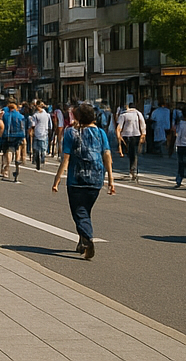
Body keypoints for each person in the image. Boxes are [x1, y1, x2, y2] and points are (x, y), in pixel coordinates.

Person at [51, 102, 115, 259]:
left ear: (78, 117)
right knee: (85, 210)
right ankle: (81, 242)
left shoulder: (71, 133)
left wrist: (57, 180)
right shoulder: (101, 133)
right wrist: (111, 180)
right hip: (96, 179)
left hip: (76, 179)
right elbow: (107, 155)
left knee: (79, 211)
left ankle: (87, 238)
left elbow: (66, 158)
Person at [115, 101, 146, 180]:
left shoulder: (123, 115)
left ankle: (132, 169)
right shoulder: (138, 114)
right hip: (136, 135)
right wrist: (143, 135)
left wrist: (118, 136)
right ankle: (133, 169)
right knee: (134, 153)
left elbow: (119, 127)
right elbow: (143, 124)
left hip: (125, 136)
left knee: (129, 153)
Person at [0, 99, 25, 182]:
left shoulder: (5, 115)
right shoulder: (20, 116)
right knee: (17, 149)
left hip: (8, 135)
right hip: (18, 135)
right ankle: (17, 162)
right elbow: (22, 126)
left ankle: (7, 167)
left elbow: (1, 124)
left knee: (8, 151)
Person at [28, 101, 52, 171]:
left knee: (36, 148)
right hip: (44, 133)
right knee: (43, 148)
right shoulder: (47, 115)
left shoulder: (35, 115)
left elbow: (33, 125)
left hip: (37, 132)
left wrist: (31, 131)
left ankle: (37, 159)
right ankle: (42, 158)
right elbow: (50, 125)